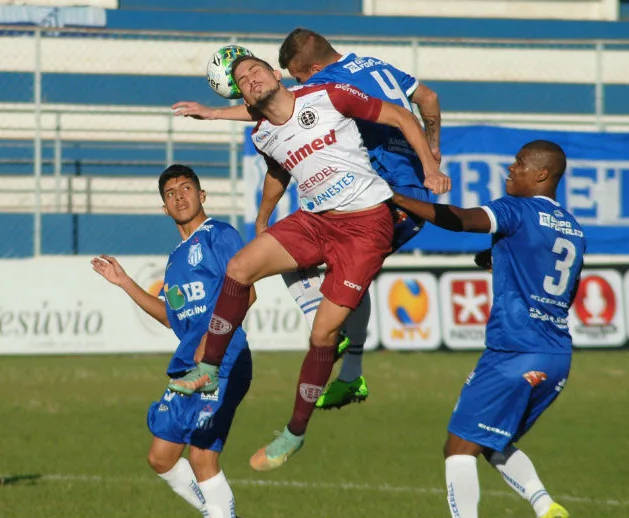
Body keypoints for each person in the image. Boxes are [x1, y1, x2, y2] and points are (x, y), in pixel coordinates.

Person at [169, 55, 444, 472]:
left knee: (323, 335)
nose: (251, 78)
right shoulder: (263, 135)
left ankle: (294, 432)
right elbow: (278, 173)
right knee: (239, 268)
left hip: (366, 227)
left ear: (276, 73)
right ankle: (208, 368)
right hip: (315, 221)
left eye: (256, 70)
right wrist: (263, 217)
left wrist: (429, 167)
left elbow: (403, 117)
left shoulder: (327, 95)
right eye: (242, 79)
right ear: (242, 95)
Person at [390, 140, 579, 518]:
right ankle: (546, 507)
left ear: (542, 174)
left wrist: (396, 198)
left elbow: (460, 220)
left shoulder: (517, 209)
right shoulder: (572, 228)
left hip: (513, 351)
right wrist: (497, 258)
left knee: (458, 448)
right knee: (493, 440)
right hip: (556, 355)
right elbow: (547, 273)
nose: (511, 168)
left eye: (520, 163)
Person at [92, 164, 253, 518]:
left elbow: (247, 295)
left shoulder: (219, 235)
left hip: (221, 359)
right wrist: (124, 282)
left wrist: (212, 340)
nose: (179, 197)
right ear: (164, 207)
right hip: (186, 364)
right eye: (170, 193)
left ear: (202, 194)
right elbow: (170, 317)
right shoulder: (175, 258)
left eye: (186, 188)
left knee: (201, 455)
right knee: (161, 458)